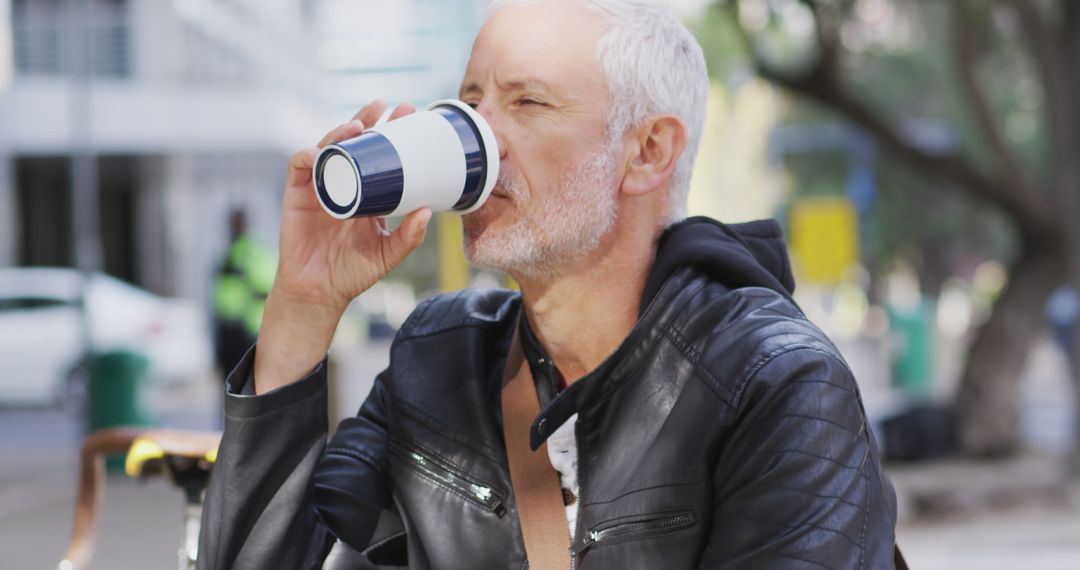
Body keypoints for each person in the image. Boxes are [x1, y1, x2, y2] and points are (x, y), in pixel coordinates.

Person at [198, 0, 900, 568]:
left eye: (527, 103)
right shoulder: (438, 361)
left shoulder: (776, 385)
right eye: (469, 103)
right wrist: (302, 306)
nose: (480, 136)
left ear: (647, 152)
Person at [211, 208, 276, 376]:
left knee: (245, 377)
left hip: (247, 327)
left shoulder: (253, 250)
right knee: (229, 377)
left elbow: (266, 287)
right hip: (227, 325)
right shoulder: (228, 250)